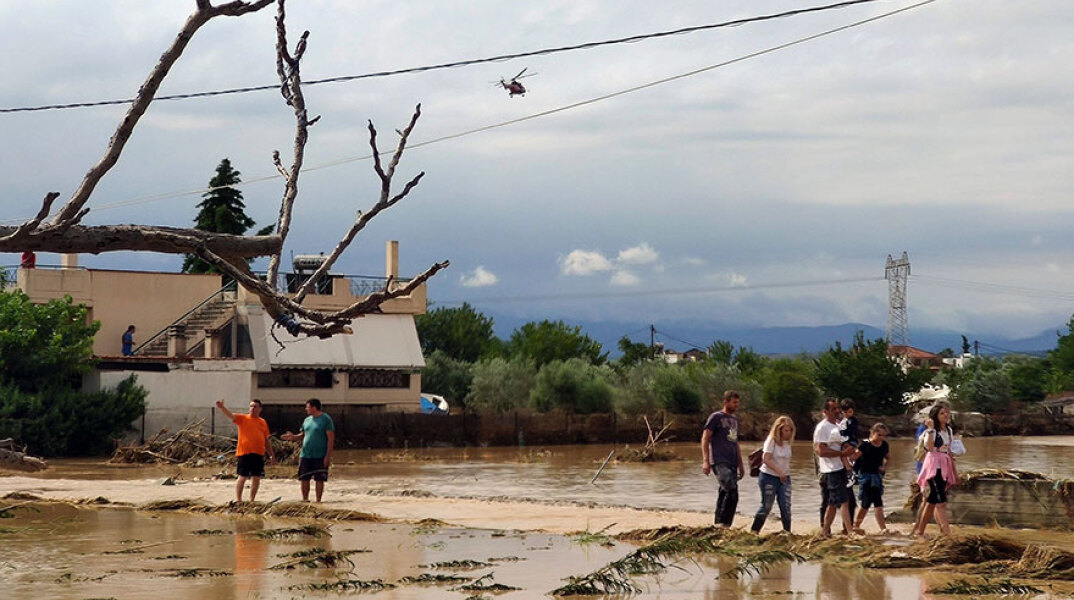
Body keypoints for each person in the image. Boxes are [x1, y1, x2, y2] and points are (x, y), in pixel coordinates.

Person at [911, 404, 959, 537]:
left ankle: (920, 532)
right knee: (940, 502)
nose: (945, 415)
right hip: (933, 466)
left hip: (945, 465)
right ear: (936, 416)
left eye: (946, 413)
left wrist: (954, 472)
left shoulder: (948, 430)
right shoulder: (930, 431)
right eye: (942, 413)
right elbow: (930, 447)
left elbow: (949, 451)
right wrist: (931, 429)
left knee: (931, 502)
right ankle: (947, 533)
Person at [215, 399, 274, 502]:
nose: (252, 408)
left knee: (256, 477)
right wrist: (222, 407)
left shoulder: (263, 422)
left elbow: (266, 440)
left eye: (255, 406)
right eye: (251, 406)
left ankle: (252, 500)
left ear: (260, 409)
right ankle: (239, 500)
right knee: (242, 477)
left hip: (258, 453)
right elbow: (230, 415)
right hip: (244, 453)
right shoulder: (243, 418)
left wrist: (271, 455)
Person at [701, 390, 745, 527]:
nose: (737, 405)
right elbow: (705, 438)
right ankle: (724, 525)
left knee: (724, 492)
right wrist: (706, 461)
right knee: (732, 491)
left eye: (738, 402)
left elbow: (735, 442)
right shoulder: (716, 417)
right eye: (734, 402)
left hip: (732, 461)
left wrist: (741, 464)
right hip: (719, 460)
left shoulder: (735, 420)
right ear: (726, 402)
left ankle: (719, 523)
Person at [814, 398, 856, 536]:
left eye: (838, 408)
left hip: (840, 467)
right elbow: (821, 451)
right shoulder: (822, 428)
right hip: (831, 470)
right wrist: (842, 453)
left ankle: (825, 531)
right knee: (844, 501)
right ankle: (850, 531)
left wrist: (847, 449)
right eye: (833, 409)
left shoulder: (838, 425)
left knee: (832, 503)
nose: (837, 411)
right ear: (825, 412)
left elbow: (841, 443)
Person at [281, 398, 335, 502]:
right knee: (304, 478)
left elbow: (331, 439)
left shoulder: (326, 419)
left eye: (308, 407)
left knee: (319, 479)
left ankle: (318, 501)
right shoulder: (307, 420)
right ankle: (305, 500)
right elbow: (303, 435)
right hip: (305, 454)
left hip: (320, 455)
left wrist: (328, 457)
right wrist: (293, 437)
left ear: (314, 407)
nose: (306, 409)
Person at [751, 415, 795, 533]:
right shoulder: (771, 441)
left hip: (784, 477)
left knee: (785, 506)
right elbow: (766, 459)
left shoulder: (787, 443)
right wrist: (779, 471)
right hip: (769, 477)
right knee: (767, 506)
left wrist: (783, 473)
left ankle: (787, 532)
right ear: (779, 430)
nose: (788, 433)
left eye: (790, 430)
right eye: (786, 430)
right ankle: (754, 531)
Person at [852, 423, 890, 534]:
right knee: (875, 501)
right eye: (879, 435)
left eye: (883, 435)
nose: (881, 438)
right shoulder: (865, 445)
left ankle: (856, 525)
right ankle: (883, 528)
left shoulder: (884, 445)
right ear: (873, 433)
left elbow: (888, 458)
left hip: (877, 476)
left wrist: (884, 467)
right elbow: (854, 457)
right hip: (865, 476)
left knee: (867, 503)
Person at [838, 399, 860, 482]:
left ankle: (851, 471)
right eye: (845, 412)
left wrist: (842, 431)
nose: (847, 414)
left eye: (850, 412)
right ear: (842, 412)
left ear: (853, 411)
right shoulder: (843, 420)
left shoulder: (852, 421)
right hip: (845, 441)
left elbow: (849, 431)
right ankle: (850, 470)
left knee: (848, 455)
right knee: (845, 456)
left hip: (851, 441)